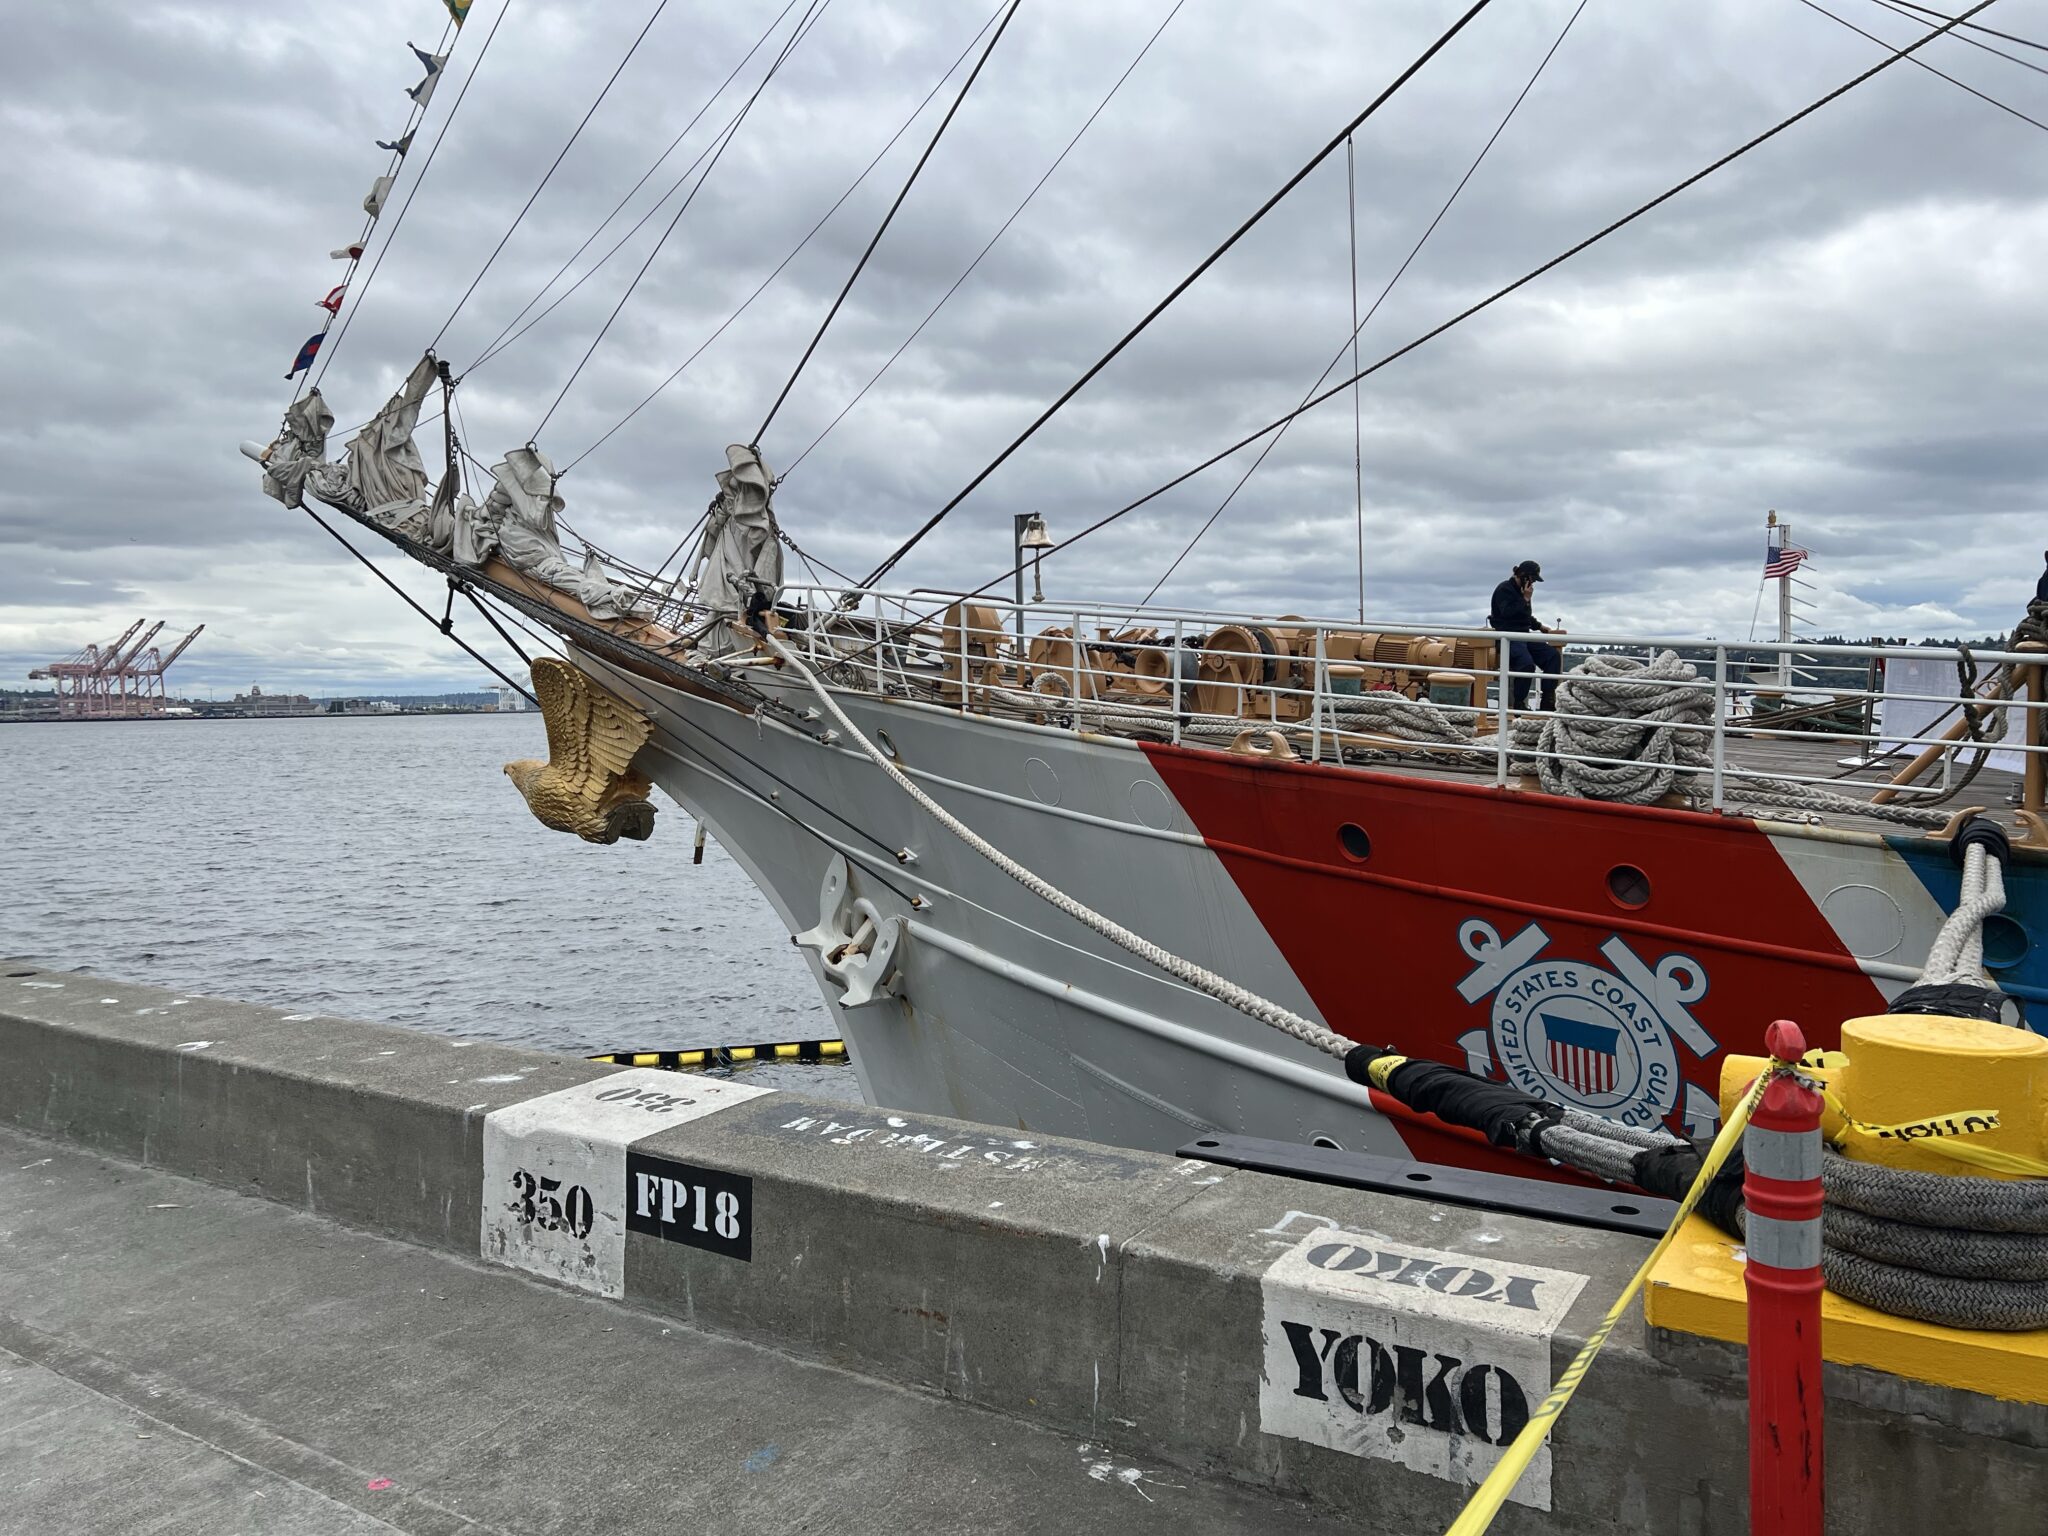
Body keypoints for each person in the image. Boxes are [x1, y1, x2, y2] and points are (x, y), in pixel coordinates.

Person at [1489, 560, 1565, 711]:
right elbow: (1507, 613)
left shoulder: (1523, 592)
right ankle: (1519, 703)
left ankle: (1547, 700)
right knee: (1526, 664)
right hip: (1508, 637)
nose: (1533, 583)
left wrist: (1540, 627)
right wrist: (1525, 599)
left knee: (1552, 656)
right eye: (1532, 579)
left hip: (1524, 636)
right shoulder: (1504, 589)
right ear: (1524, 576)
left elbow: (1525, 617)